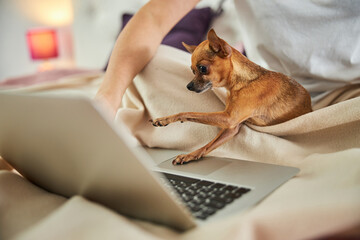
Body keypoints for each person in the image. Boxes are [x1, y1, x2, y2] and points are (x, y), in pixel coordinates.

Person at [95, 0, 360, 118]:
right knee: (151, 65)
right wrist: (107, 98)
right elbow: (154, 16)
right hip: (263, 95)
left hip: (352, 93)